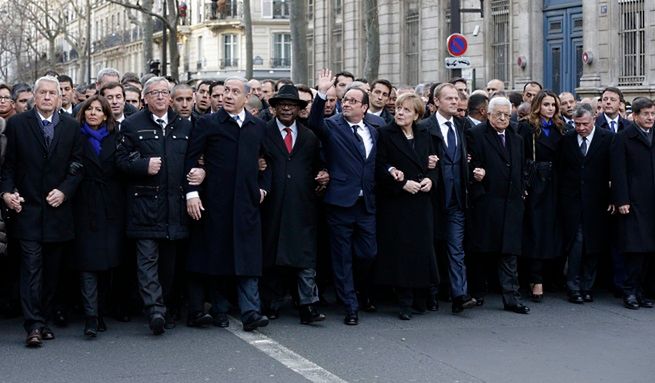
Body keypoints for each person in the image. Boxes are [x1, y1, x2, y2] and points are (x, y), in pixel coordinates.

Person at [1, 76, 83, 347]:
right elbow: (9, 166)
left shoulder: (71, 127)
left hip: (58, 211)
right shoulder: (17, 124)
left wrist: (65, 190)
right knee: (31, 269)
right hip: (28, 210)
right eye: (43, 93)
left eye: (53, 93)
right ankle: (33, 324)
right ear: (34, 97)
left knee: (52, 271)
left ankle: (44, 319)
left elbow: (77, 165)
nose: (48, 97)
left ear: (60, 98)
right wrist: (7, 193)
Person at [184, 77, 271, 331]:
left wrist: (263, 188)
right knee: (219, 257)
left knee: (248, 259)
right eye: (225, 92)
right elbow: (192, 160)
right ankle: (220, 309)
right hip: (216, 202)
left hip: (247, 204)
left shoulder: (257, 126)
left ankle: (251, 312)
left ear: (246, 97)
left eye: (234, 92)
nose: (228, 96)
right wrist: (192, 193)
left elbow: (268, 162)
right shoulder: (208, 124)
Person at [115, 76, 192, 335]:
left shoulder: (184, 126)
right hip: (144, 207)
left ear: (170, 97)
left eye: (164, 92)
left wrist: (199, 173)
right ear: (145, 98)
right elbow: (120, 161)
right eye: (154, 93)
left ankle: (167, 307)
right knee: (147, 262)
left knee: (169, 266)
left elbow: (196, 160)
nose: (160, 97)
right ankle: (154, 310)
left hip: (174, 208)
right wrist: (142, 166)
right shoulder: (131, 125)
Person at [308, 69, 379, 326]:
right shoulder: (332, 126)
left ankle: (357, 290)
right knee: (341, 257)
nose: (346, 104)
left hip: (366, 204)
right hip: (339, 203)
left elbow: (375, 164)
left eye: (352, 101)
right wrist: (321, 92)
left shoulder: (374, 130)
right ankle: (350, 305)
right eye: (344, 100)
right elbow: (314, 123)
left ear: (364, 107)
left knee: (368, 253)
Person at [259, 84, 328, 324]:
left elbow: (320, 164)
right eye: (282, 104)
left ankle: (308, 305)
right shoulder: (263, 132)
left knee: (305, 258)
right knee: (273, 256)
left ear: (300, 109)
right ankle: (271, 303)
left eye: (292, 105)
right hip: (272, 205)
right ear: (275, 108)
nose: (287, 108)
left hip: (303, 205)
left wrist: (323, 175)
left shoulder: (309, 136)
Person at [374, 93, 438, 320]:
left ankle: (421, 297)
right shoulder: (385, 134)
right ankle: (404, 301)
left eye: (406, 110)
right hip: (398, 204)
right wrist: (401, 184)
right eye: (399, 108)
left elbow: (433, 162)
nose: (400, 113)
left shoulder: (424, 133)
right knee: (401, 252)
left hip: (421, 201)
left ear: (417, 114)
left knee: (421, 250)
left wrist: (431, 179)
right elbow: (379, 165)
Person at [466, 96, 529, 314]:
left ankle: (512, 298)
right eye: (498, 114)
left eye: (506, 114)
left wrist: (521, 191)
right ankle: (477, 293)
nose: (503, 118)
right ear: (488, 114)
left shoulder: (516, 136)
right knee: (482, 251)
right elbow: (472, 166)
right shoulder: (476, 134)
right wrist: (479, 191)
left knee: (509, 253)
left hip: (511, 203)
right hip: (487, 203)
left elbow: (520, 167)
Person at [418, 83, 477, 313]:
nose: (455, 102)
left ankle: (459, 295)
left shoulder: (462, 126)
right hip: (433, 197)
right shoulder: (424, 127)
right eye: (449, 98)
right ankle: (431, 294)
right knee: (430, 247)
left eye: (456, 98)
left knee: (456, 248)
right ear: (436, 102)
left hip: (457, 198)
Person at [72, 95, 125, 337]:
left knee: (108, 264)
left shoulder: (117, 138)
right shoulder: (75, 136)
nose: (93, 113)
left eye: (98, 110)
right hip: (84, 206)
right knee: (87, 264)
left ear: (106, 115)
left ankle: (102, 311)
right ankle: (90, 316)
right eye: (89, 109)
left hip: (111, 207)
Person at [557, 103, 613, 304]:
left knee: (594, 245)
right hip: (572, 201)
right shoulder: (567, 139)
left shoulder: (607, 138)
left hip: (597, 202)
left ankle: (587, 287)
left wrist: (613, 198)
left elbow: (613, 170)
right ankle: (573, 286)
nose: (580, 128)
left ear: (594, 120)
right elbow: (560, 170)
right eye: (577, 124)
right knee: (577, 243)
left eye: (584, 124)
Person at [517, 90, 564, 302]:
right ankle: (535, 279)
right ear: (537, 105)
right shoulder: (527, 127)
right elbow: (521, 157)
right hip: (536, 183)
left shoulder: (560, 127)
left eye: (553, 105)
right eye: (546, 104)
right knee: (535, 229)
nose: (550, 108)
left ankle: (550, 275)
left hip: (555, 183)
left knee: (553, 229)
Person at [611, 97, 655, 310]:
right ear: (635, 116)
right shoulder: (623, 138)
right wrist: (622, 200)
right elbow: (618, 172)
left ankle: (643, 292)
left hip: (652, 202)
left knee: (649, 251)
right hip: (634, 203)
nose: (650, 118)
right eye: (646, 114)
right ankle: (629, 292)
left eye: (653, 114)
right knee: (635, 251)